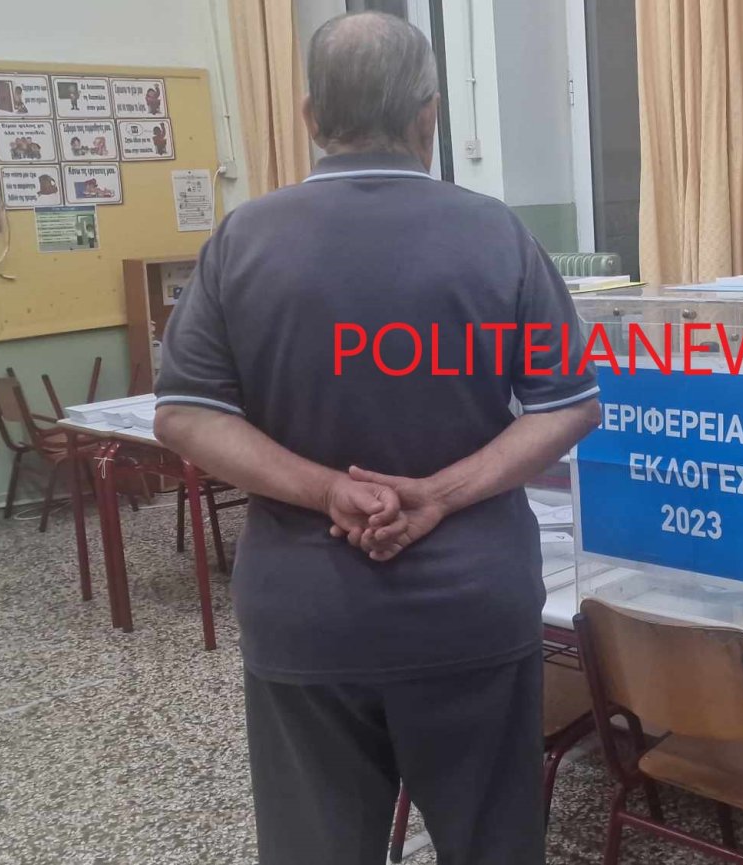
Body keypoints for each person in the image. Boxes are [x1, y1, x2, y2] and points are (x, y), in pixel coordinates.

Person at [152, 12, 600, 865]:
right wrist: (438, 495)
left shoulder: (242, 239)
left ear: (312, 116)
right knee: (492, 843)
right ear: (430, 116)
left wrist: (330, 489)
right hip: (470, 606)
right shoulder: (497, 234)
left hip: (306, 611)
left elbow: (185, 413)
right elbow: (569, 405)